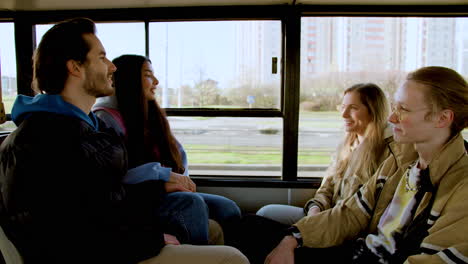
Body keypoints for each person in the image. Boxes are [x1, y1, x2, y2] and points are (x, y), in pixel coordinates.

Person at [0, 17, 248, 264]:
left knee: (213, 228)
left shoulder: (84, 129)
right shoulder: (48, 140)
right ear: (75, 67)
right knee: (232, 259)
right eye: (102, 57)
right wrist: (153, 239)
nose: (112, 67)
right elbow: (71, 232)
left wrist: (157, 189)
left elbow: (105, 200)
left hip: (112, 240)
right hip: (96, 255)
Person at [262, 66, 468, 264]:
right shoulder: (402, 165)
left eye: (403, 109)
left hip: (367, 256)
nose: (392, 117)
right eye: (395, 107)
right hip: (360, 253)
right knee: (252, 228)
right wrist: (293, 238)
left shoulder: (460, 186)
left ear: (443, 118)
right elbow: (351, 214)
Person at [93, 54, 241, 244]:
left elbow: (176, 153)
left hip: (164, 189)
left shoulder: (149, 113)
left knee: (228, 208)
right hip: (139, 194)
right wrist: (165, 178)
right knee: (192, 203)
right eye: (148, 75)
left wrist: (181, 178)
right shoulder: (107, 118)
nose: (156, 81)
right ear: (129, 79)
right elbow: (121, 173)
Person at [257, 83, 391, 225]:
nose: (343, 114)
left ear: (374, 111)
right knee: (264, 213)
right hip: (327, 215)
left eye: (353, 108)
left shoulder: (385, 154)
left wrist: (322, 223)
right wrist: (315, 207)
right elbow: (327, 188)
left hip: (342, 224)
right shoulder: (346, 146)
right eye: (343, 107)